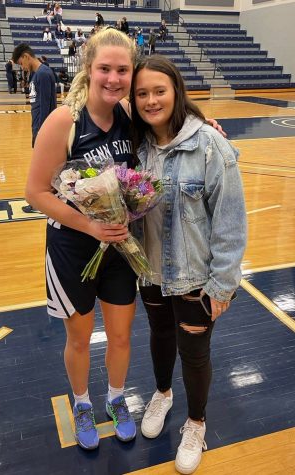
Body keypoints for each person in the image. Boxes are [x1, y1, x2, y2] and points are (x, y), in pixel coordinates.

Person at [129, 55, 247, 474]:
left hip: (194, 276)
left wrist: (222, 285)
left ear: (176, 91)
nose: (150, 100)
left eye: (159, 90)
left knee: (194, 354)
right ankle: (163, 392)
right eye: (141, 93)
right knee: (160, 336)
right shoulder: (136, 145)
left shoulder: (210, 145)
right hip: (150, 271)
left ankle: (195, 422)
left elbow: (231, 223)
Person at [22, 28, 138, 450]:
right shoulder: (64, 121)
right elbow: (35, 193)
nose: (113, 78)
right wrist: (89, 226)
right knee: (79, 337)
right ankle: (83, 403)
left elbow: (173, 114)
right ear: (88, 69)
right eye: (105, 68)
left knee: (122, 336)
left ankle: (117, 398)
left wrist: (206, 122)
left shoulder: (130, 114)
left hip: (120, 247)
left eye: (122, 70)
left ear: (131, 73)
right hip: (73, 247)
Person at [12, 43, 56, 213]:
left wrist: (41, 135)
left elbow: (46, 107)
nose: (22, 67)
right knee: (45, 169)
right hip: (37, 127)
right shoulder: (37, 74)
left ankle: (40, 202)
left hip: (43, 130)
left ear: (26, 57)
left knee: (42, 170)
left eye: (21, 63)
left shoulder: (43, 74)